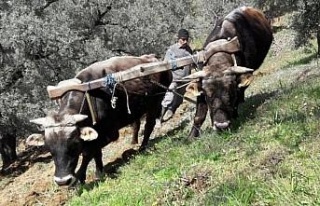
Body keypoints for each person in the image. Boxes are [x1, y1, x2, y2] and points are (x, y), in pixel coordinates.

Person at [159, 28, 193, 123]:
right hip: (174, 79)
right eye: (183, 39)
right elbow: (166, 63)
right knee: (168, 98)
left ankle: (170, 113)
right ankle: (159, 119)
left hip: (185, 80)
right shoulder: (172, 49)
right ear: (178, 39)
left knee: (179, 100)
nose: (185, 41)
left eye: (186, 39)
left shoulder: (189, 49)